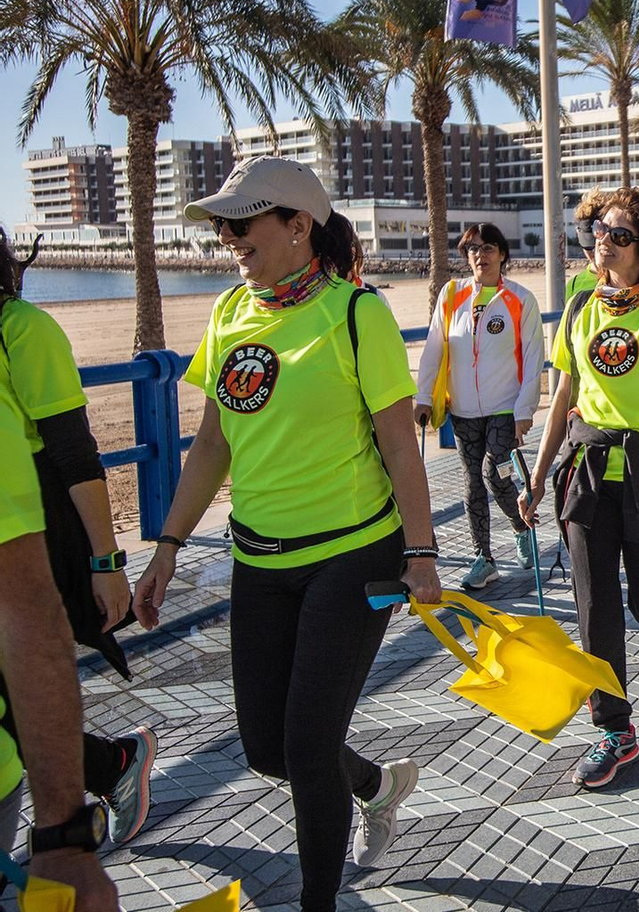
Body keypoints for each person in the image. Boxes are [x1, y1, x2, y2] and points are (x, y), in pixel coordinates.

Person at [131, 156, 443, 912]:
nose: (229, 238)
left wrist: (423, 553)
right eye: (223, 227)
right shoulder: (231, 313)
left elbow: (401, 444)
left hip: (351, 555)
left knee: (305, 747)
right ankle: (374, 784)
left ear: (299, 225)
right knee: (268, 747)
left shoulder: (353, 313)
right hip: (258, 558)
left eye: (244, 224)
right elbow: (211, 444)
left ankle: (317, 903)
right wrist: (166, 552)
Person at [520, 188, 639, 789]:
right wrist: (536, 473)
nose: (604, 240)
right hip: (587, 473)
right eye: (601, 231)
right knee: (594, 609)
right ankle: (615, 730)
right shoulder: (581, 306)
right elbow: (562, 394)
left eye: (621, 235)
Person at [0, 231, 156, 846]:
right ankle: (110, 764)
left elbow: (74, 453)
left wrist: (106, 560)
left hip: (36, 525)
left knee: (20, 674)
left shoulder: (22, 330)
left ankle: (110, 767)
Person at [414, 222, 544, 590]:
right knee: (472, 484)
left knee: (495, 474)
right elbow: (434, 346)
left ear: (502, 254)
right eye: (472, 249)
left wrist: (525, 411)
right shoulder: (452, 295)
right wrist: (423, 397)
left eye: (488, 248)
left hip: (505, 408)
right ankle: (483, 559)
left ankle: (521, 527)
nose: (479, 255)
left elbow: (535, 357)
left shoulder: (520, 299)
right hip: (464, 410)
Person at [566, 188, 606, 301]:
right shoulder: (574, 285)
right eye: (589, 245)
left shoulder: (627, 279)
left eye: (599, 243)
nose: (594, 251)